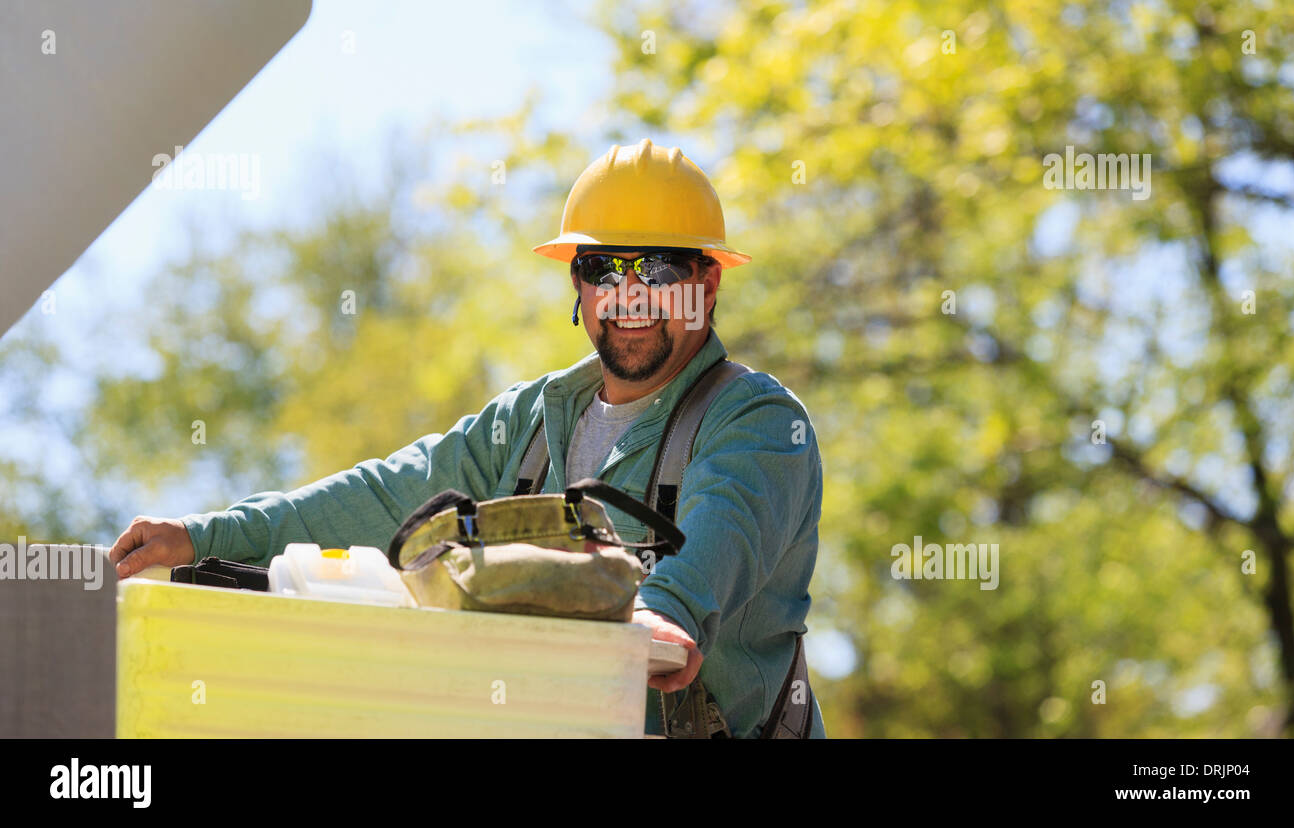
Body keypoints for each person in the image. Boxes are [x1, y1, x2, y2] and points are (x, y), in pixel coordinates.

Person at [110, 138, 826, 738]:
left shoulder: (756, 423)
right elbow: (384, 496)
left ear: (706, 283)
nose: (628, 295)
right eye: (603, 269)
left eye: (658, 270)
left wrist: (663, 614)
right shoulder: (529, 424)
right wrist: (205, 537)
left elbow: (722, 531)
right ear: (578, 286)